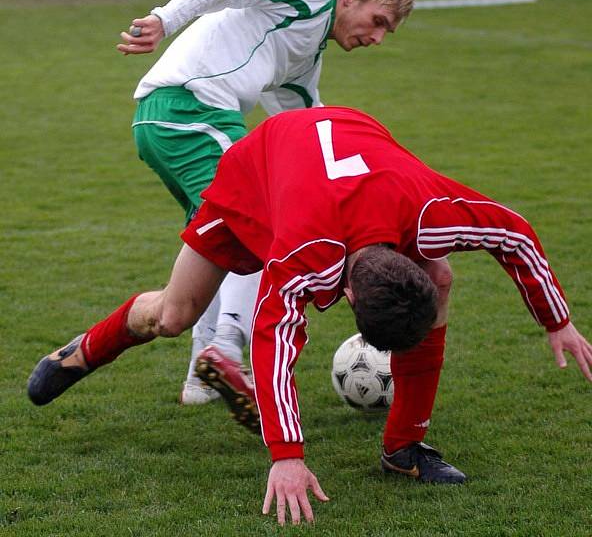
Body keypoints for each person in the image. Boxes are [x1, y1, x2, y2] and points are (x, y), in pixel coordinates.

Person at [28, 106, 592, 526]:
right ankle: (84, 351)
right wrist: (287, 457)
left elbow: (514, 232)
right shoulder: (302, 261)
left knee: (443, 279)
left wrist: (556, 320)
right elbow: (272, 347)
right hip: (255, 176)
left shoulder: (433, 213)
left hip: (359, 154)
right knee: (174, 315)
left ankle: (403, 449)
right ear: (345, 295)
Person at [116, 0, 417, 408]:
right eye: (378, 21)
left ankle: (203, 376)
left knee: (214, 242)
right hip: (191, 110)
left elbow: (309, 130)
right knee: (263, 229)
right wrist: (164, 19)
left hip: (169, 120)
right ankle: (227, 348)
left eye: (386, 32)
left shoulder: (305, 55)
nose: (376, 38)